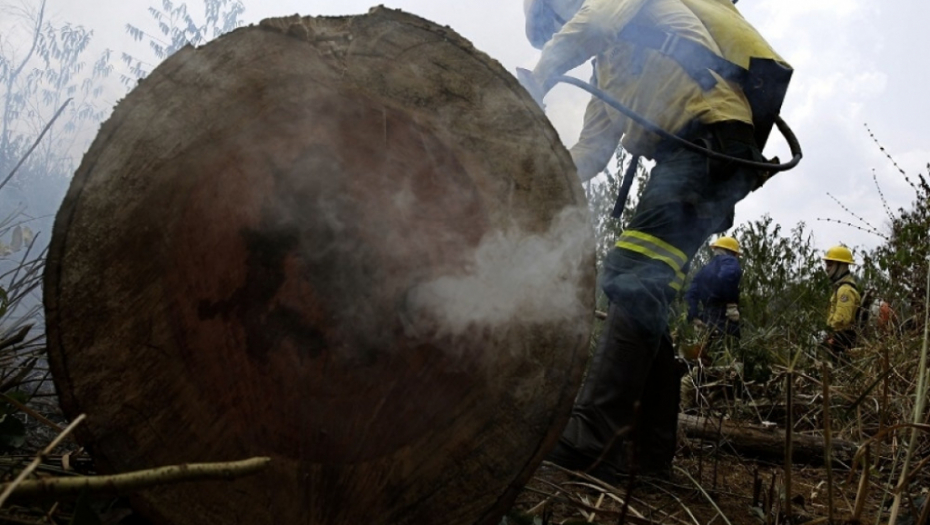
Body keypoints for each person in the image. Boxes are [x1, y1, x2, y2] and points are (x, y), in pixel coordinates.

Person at [520, 0, 790, 482]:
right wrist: (535, 174)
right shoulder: (607, 73)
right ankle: (648, 452)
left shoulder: (620, 7)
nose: (558, 30)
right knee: (646, 292)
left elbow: (593, 24)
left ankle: (592, 436)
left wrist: (537, 80)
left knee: (632, 273)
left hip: (710, 141)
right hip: (691, 156)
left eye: (553, 22)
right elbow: (591, 151)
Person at [685, 236, 742, 344]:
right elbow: (727, 276)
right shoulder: (730, 261)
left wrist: (694, 316)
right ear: (733, 252)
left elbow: (691, 293)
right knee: (729, 346)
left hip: (706, 316)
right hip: (723, 315)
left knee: (710, 348)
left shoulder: (704, 269)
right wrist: (731, 304)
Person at [822, 245, 861, 358]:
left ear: (841, 266)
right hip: (839, 337)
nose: (827, 269)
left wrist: (828, 333)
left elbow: (842, 320)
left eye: (830, 265)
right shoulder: (840, 288)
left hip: (843, 340)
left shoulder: (845, 290)